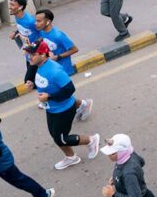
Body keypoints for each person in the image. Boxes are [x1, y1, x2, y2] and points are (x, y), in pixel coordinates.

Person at [24, 41, 100, 170]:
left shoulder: (55, 71)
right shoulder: (36, 65)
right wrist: (30, 82)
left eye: (32, 54)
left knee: (62, 139)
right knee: (55, 135)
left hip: (63, 110)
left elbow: (69, 89)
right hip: (51, 108)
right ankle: (71, 157)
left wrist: (49, 97)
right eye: (29, 53)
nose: (29, 57)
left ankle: (91, 140)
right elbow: (31, 73)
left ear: (43, 55)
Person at [35, 9, 92, 122]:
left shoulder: (58, 35)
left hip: (61, 68)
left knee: (63, 93)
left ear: (48, 22)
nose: (36, 23)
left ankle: (84, 104)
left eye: (39, 21)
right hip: (51, 67)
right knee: (57, 92)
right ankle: (81, 105)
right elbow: (43, 41)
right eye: (35, 20)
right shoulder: (42, 31)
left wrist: (58, 57)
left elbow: (74, 49)